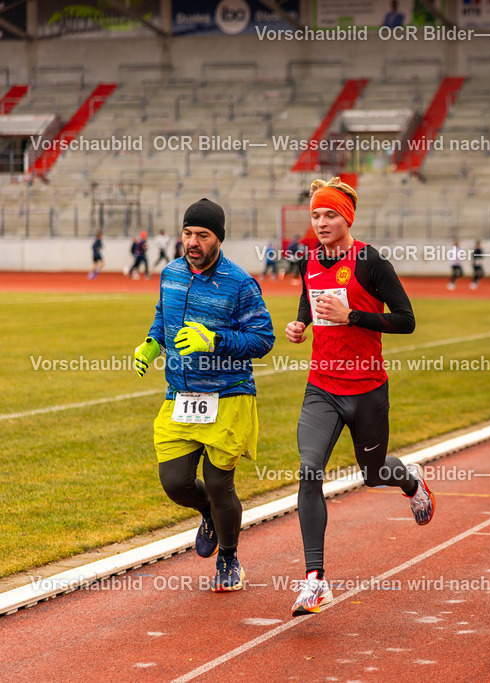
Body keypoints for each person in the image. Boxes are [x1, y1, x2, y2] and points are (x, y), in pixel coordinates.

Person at [285, 177, 432, 617]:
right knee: (310, 471)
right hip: (322, 387)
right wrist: (300, 326)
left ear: (347, 217)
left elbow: (406, 320)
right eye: (316, 215)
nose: (322, 222)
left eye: (330, 214)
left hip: (367, 389)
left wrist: (353, 317)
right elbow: (309, 300)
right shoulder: (310, 258)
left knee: (372, 473)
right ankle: (315, 582)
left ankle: (409, 479)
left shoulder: (370, 261)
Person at [132, 198, 275, 592]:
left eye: (202, 235)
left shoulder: (241, 283)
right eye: (188, 233)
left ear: (218, 239)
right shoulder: (172, 273)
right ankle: (210, 515)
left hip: (228, 395)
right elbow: (164, 313)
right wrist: (151, 342)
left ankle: (229, 558)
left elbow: (263, 339)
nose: (192, 242)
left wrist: (213, 340)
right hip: (180, 395)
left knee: (218, 483)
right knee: (174, 481)